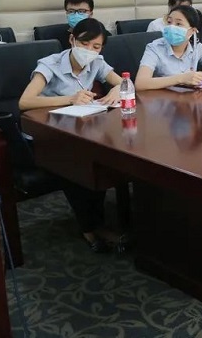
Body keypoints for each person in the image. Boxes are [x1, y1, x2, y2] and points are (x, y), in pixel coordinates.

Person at [18, 18, 125, 252]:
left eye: (96, 47)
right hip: (47, 136)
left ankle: (98, 223)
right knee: (78, 166)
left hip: (79, 130)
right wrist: (70, 99)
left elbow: (125, 83)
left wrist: (118, 90)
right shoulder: (50, 64)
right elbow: (25, 102)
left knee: (101, 158)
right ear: (72, 40)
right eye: (85, 44)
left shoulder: (97, 62)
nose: (89, 51)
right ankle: (90, 227)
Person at [135, 5, 202, 90]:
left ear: (192, 31)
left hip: (189, 99)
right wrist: (181, 78)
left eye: (178, 24)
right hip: (162, 100)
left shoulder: (197, 47)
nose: (172, 27)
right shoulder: (155, 48)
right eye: (169, 22)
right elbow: (140, 83)